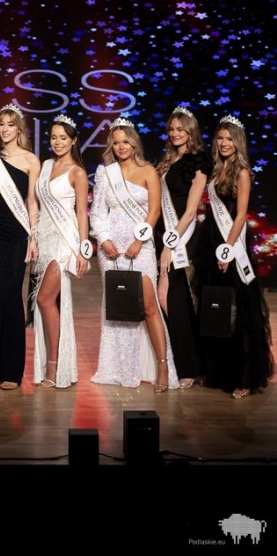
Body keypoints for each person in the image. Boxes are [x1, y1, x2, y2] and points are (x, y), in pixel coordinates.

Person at [90, 117, 177, 392]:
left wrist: (139, 240)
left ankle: (161, 366)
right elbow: (97, 213)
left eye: (125, 142)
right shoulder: (106, 173)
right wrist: (103, 240)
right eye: (116, 143)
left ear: (134, 143)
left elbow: (154, 211)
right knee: (118, 308)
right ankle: (122, 368)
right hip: (111, 250)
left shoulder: (148, 171)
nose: (121, 147)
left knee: (148, 306)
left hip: (140, 247)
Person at [193, 116, 273, 399]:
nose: (224, 143)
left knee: (238, 308)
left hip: (231, 242)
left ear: (238, 142)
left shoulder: (242, 172)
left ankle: (243, 376)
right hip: (211, 241)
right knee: (216, 306)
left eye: (229, 139)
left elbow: (240, 215)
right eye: (220, 138)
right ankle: (217, 370)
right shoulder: (216, 169)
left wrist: (228, 248)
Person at [0, 104, 40, 390]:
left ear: (19, 128)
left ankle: (12, 370)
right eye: (1, 124)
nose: (4, 129)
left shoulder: (31, 160)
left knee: (11, 296)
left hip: (16, 235)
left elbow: (31, 201)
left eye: (10, 124)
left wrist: (34, 236)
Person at [31, 114, 90, 389]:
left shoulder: (78, 172)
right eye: (54, 137)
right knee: (47, 302)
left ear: (73, 140)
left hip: (65, 243)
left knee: (44, 299)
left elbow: (82, 213)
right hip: (46, 241)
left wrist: (83, 250)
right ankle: (52, 364)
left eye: (63, 138)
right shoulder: (45, 166)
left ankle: (54, 365)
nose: (57, 142)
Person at [155, 107, 210, 389]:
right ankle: (189, 362)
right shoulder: (167, 159)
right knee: (173, 298)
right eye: (172, 129)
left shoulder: (198, 161)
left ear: (191, 131)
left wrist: (170, 245)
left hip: (179, 235)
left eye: (181, 129)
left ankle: (187, 366)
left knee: (169, 296)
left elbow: (190, 211)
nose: (175, 133)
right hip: (160, 232)